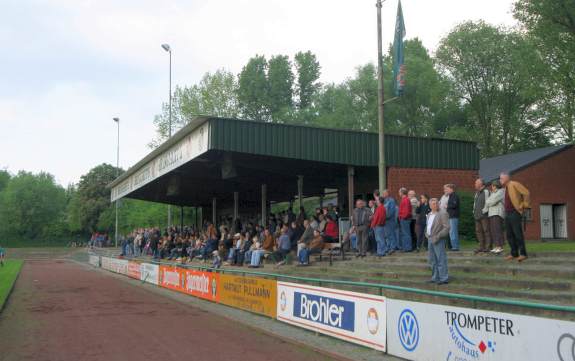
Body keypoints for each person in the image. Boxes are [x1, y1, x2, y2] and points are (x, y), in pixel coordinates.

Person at [500, 172, 531, 262]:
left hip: (515, 212)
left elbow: (526, 193)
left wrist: (524, 205)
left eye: (501, 178)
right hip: (508, 213)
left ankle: (523, 253)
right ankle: (514, 253)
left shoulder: (514, 184)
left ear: (507, 178)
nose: (500, 180)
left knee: (518, 234)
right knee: (509, 235)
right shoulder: (505, 188)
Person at [426, 198, 450, 284]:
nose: (434, 205)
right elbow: (428, 226)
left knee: (441, 259)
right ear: (430, 205)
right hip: (430, 239)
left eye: (436, 203)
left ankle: (443, 278)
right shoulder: (429, 214)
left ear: (438, 204)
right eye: (433, 204)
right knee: (432, 260)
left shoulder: (443, 213)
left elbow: (447, 227)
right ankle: (435, 277)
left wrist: (438, 236)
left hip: (438, 239)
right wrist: (427, 233)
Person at [483, 181, 505, 254]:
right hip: (491, 213)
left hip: (497, 213)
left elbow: (492, 201)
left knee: (497, 229)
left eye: (492, 186)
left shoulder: (501, 192)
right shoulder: (493, 193)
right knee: (493, 230)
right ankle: (496, 246)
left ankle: (500, 246)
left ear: (496, 186)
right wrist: (490, 202)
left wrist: (490, 202)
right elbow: (487, 202)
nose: (491, 187)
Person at [473, 179, 491, 254]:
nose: (475, 184)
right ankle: (481, 246)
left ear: (481, 184)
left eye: (476, 183)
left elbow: (488, 202)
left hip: (484, 215)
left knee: (486, 230)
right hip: (477, 215)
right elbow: (475, 203)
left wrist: (484, 211)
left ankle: (488, 247)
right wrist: (473, 211)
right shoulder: (477, 193)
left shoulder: (486, 191)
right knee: (478, 231)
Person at [443, 184, 461, 251]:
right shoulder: (450, 196)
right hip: (450, 216)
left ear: (451, 189)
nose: (446, 190)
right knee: (451, 232)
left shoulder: (454, 196)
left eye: (447, 189)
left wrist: (447, 206)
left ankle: (455, 247)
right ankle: (454, 246)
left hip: (453, 216)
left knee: (453, 232)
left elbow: (454, 204)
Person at [398, 188, 413, 252]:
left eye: (399, 192)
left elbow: (406, 211)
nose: (399, 193)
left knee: (406, 233)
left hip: (405, 219)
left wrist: (402, 217)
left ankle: (407, 248)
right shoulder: (405, 199)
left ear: (402, 192)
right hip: (404, 218)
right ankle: (405, 247)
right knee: (405, 233)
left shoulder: (406, 200)